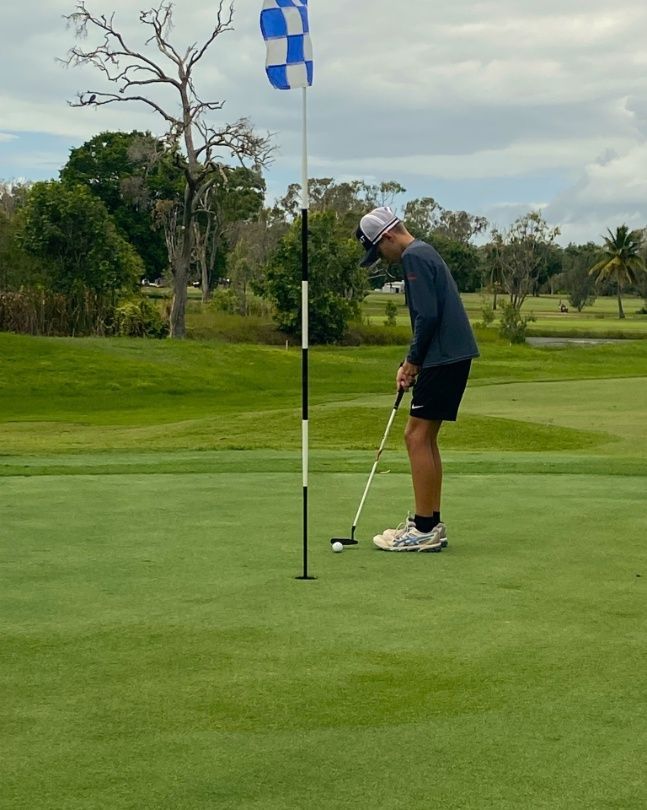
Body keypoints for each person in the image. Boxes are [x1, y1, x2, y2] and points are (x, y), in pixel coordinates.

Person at [355, 206, 479, 552]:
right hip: (447, 356)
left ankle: (424, 528)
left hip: (443, 357)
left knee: (415, 436)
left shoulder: (413, 257)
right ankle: (430, 523)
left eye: (378, 250)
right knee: (424, 438)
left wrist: (412, 363)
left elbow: (427, 316)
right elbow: (429, 317)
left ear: (388, 237)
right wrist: (410, 361)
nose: (381, 258)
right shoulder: (425, 252)